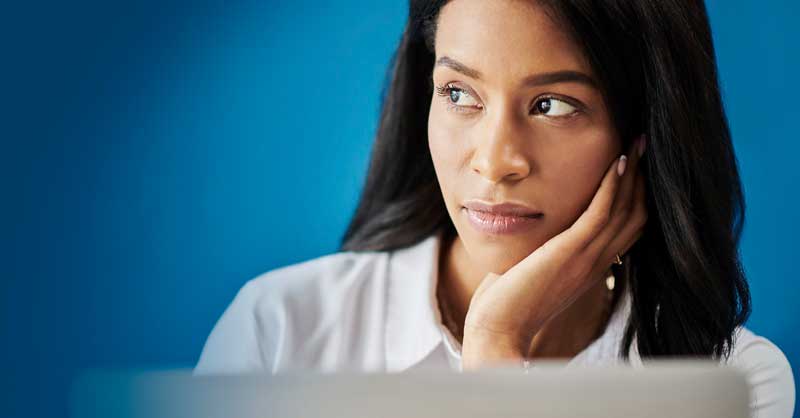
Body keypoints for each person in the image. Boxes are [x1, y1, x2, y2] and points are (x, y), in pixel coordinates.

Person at [194, 0, 795, 416]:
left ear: (640, 136)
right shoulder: (278, 330)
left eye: (553, 105)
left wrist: (496, 346)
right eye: (459, 94)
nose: (496, 160)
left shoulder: (732, 382)